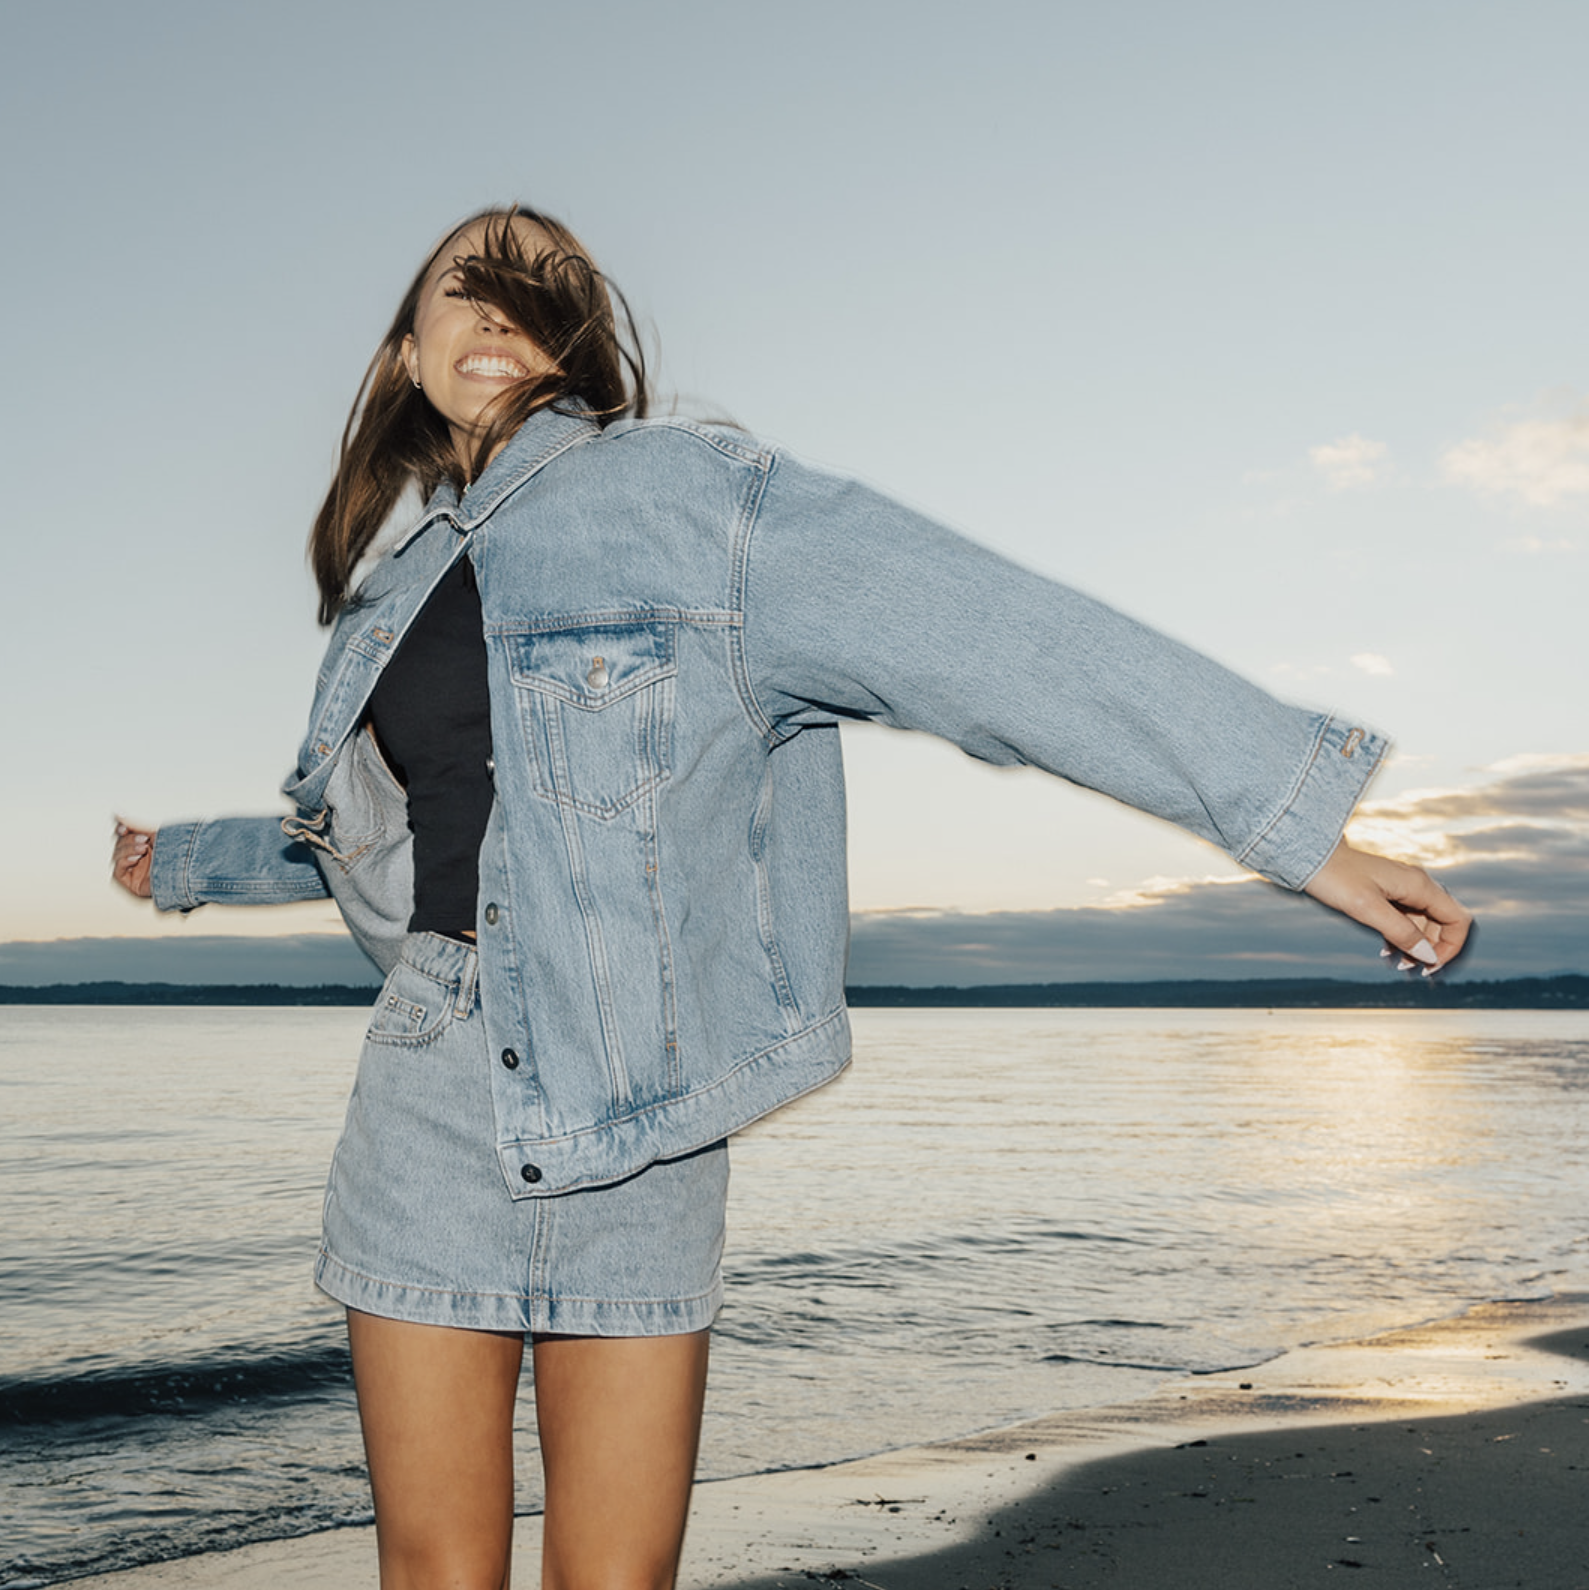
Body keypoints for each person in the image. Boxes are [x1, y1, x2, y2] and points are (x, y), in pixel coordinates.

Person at [110, 206, 1470, 1590]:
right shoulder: (386, 601)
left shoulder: (696, 505)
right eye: (467, 281)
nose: (503, 303)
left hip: (643, 1111)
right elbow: (357, 834)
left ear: (577, 338)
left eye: (542, 284)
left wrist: (1297, 826)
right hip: (424, 1083)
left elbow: (986, 635)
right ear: (407, 351)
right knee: (436, 1573)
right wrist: (180, 866)